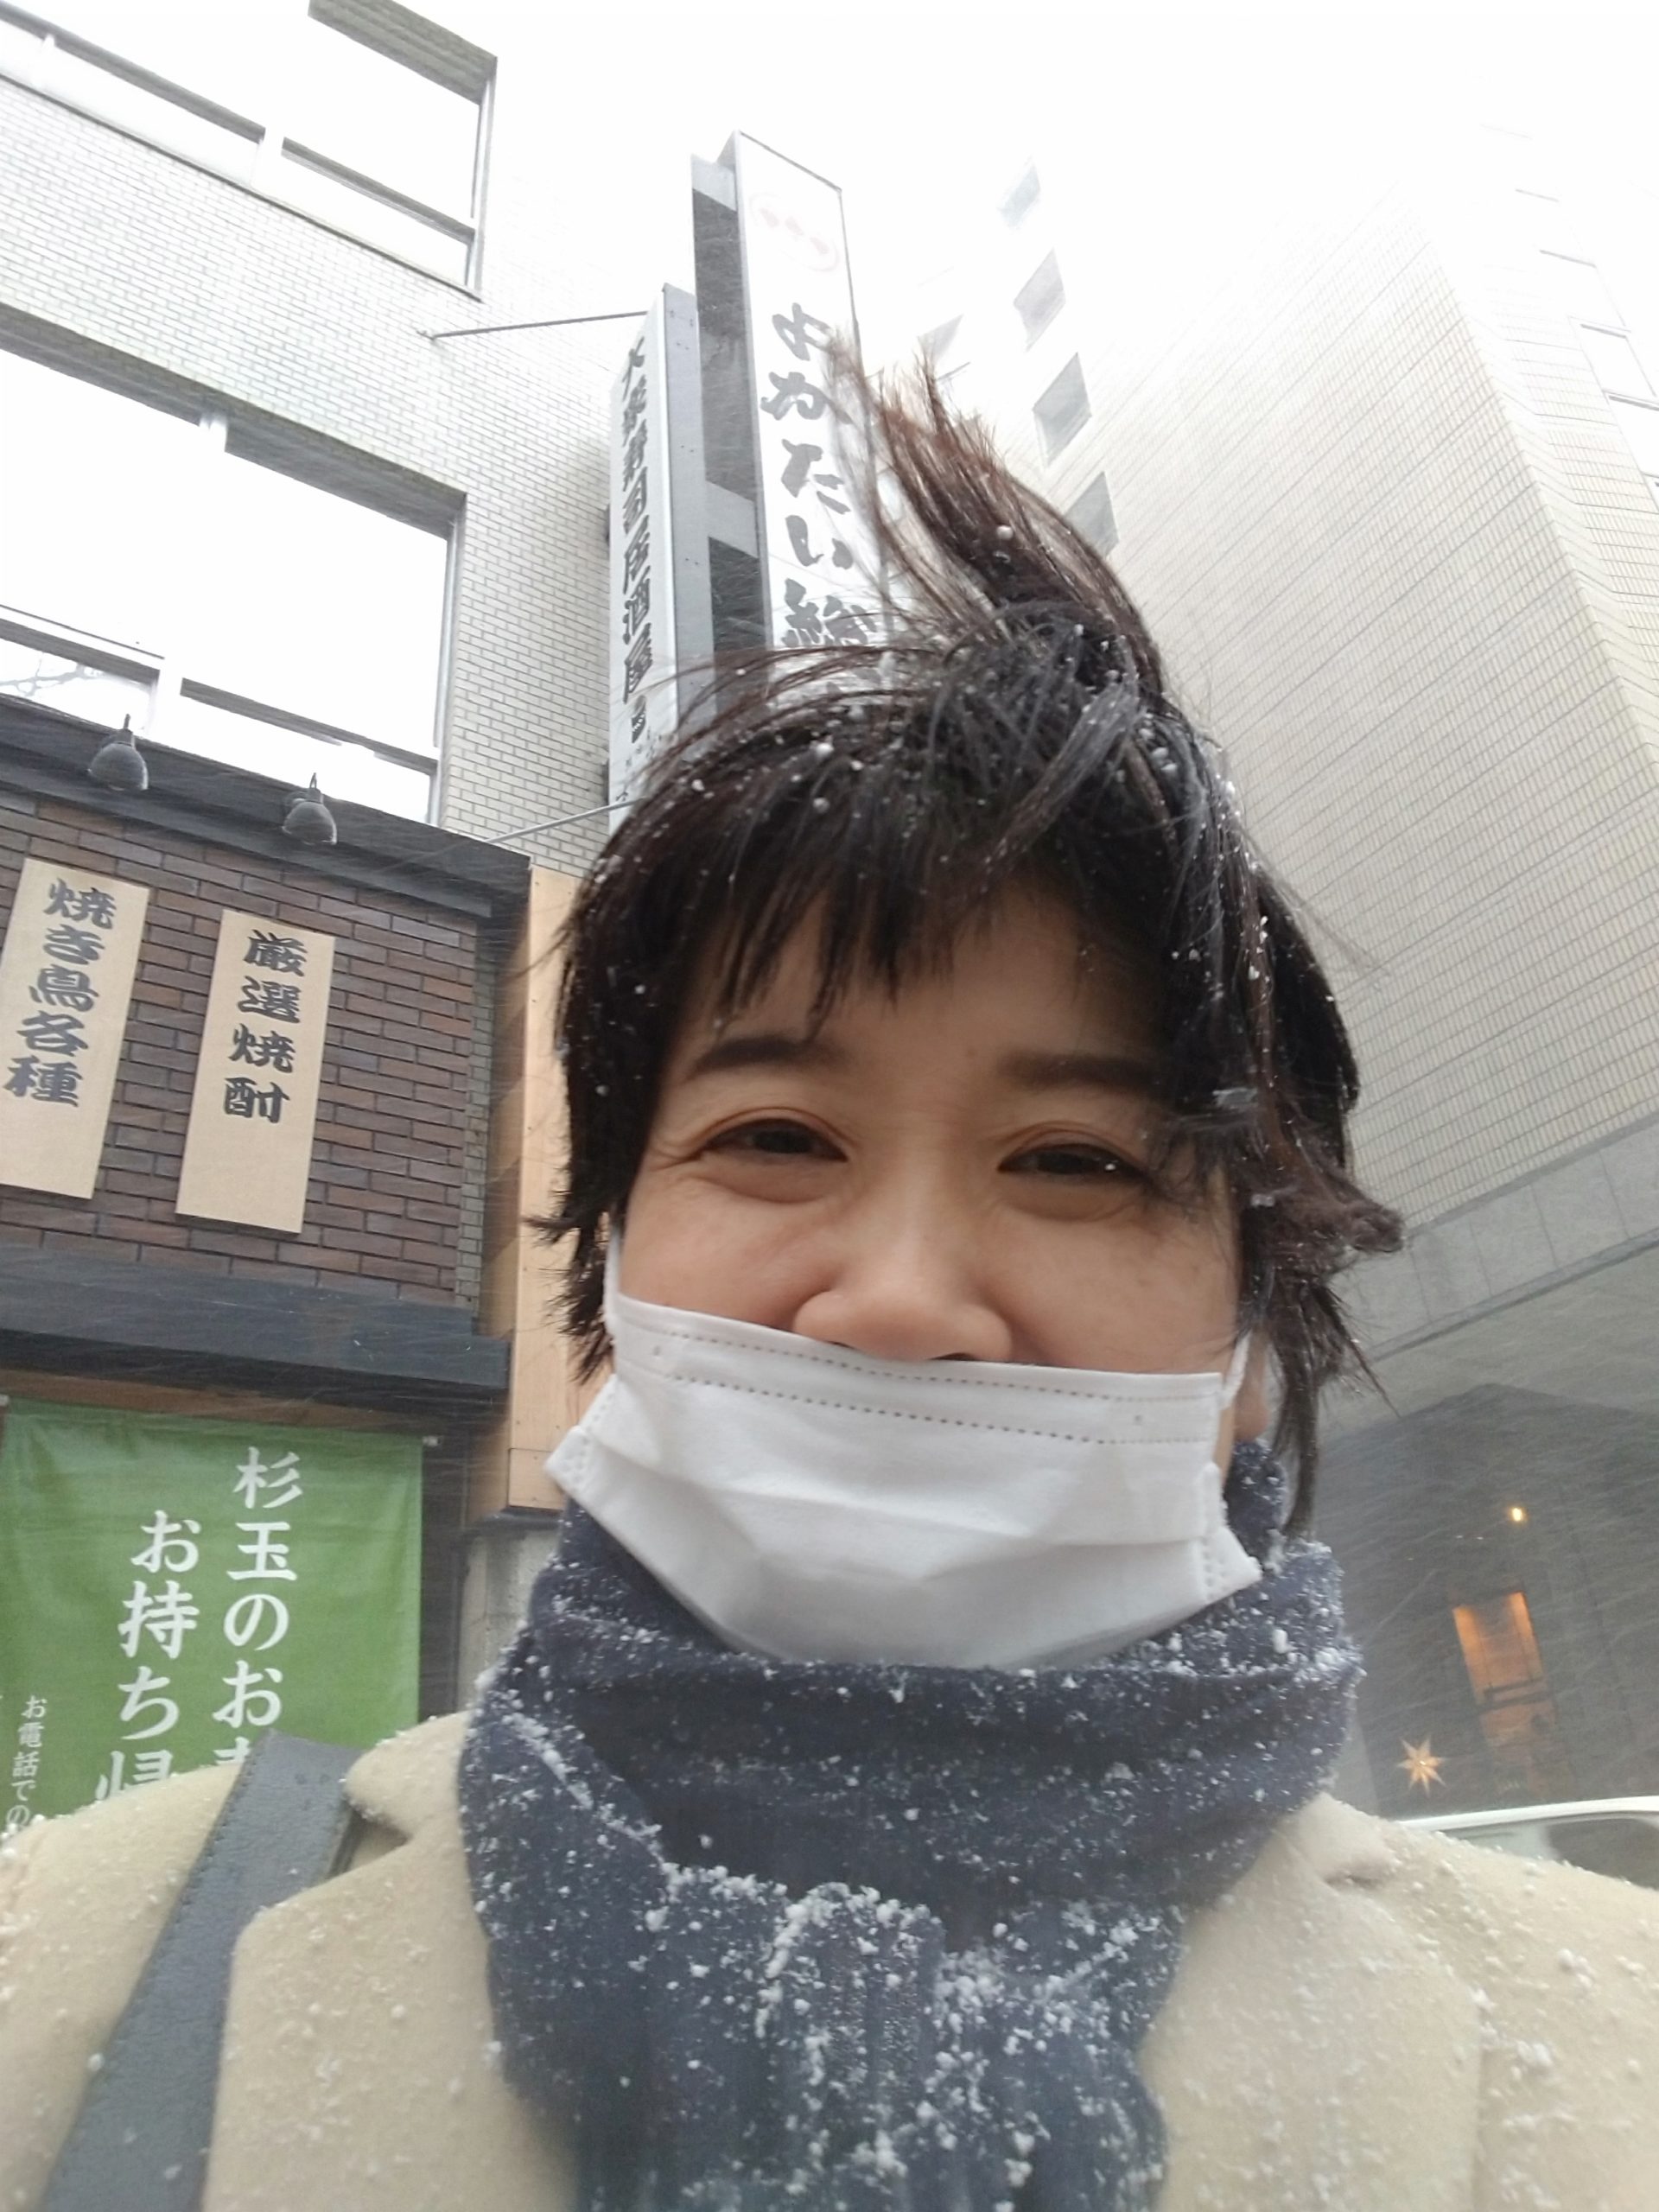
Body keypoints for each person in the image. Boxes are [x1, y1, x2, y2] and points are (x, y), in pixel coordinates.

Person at [3, 375, 1658, 2212]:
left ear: (1256, 1353)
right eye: (778, 1137)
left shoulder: (1614, 2047)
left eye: (1079, 1163)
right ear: (609, 1276)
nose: (897, 1298)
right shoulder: (77, 1964)